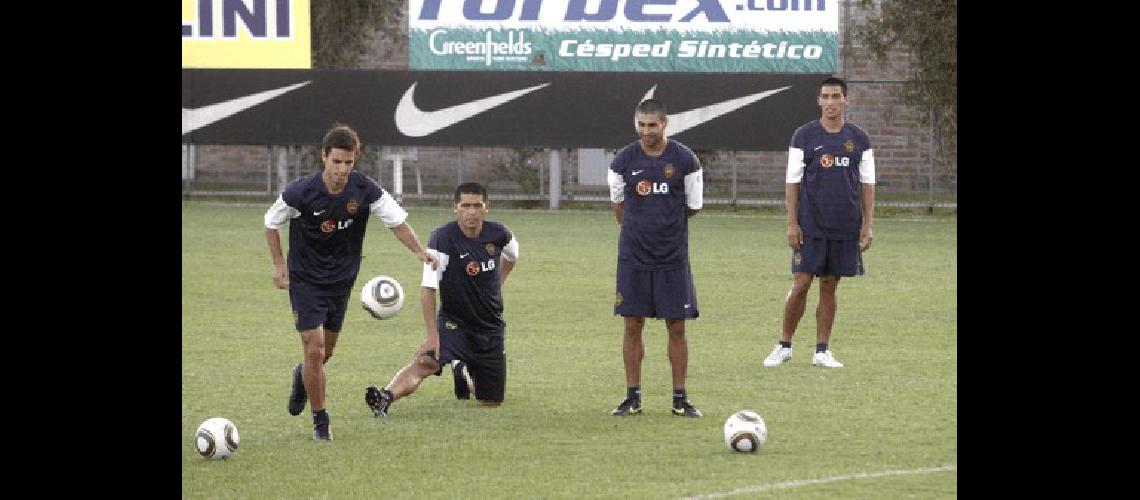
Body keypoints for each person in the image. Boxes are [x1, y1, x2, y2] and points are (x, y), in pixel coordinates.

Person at [263, 124, 438, 440]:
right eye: (337, 162)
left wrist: (419, 251)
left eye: (348, 163)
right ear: (324, 157)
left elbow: (396, 222)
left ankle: (302, 376)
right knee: (314, 349)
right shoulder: (299, 192)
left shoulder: (365, 190)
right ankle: (321, 423)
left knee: (324, 354)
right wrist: (278, 264)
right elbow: (271, 222)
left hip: (341, 282)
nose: (342, 170)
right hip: (305, 280)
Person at [364, 182, 518, 416]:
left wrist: (496, 285)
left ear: (487, 208)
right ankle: (385, 397)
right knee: (427, 362)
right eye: (465, 205)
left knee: (490, 402)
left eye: (477, 206)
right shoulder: (442, 239)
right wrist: (432, 337)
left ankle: (462, 370)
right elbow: (428, 289)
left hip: (490, 327)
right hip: (454, 323)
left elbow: (512, 257)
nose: (472, 211)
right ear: (455, 208)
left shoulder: (499, 234)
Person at [762, 76, 876, 369]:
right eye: (825, 97)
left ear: (845, 100)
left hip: (845, 224)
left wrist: (868, 224)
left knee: (829, 284)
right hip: (810, 224)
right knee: (801, 283)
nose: (830, 103)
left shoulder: (860, 139)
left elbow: (867, 183)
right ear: (818, 101)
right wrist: (792, 223)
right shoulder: (804, 136)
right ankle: (784, 345)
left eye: (835, 96)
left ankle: (822, 350)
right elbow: (792, 182)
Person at [607, 98, 704, 418]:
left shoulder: (685, 160)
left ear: (665, 124)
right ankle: (632, 397)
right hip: (633, 258)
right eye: (641, 125)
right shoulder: (622, 161)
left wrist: (665, 227)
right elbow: (619, 207)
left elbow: (693, 206)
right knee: (632, 325)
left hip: (672, 258)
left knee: (677, 327)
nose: (646, 131)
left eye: (653, 125)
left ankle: (680, 398)